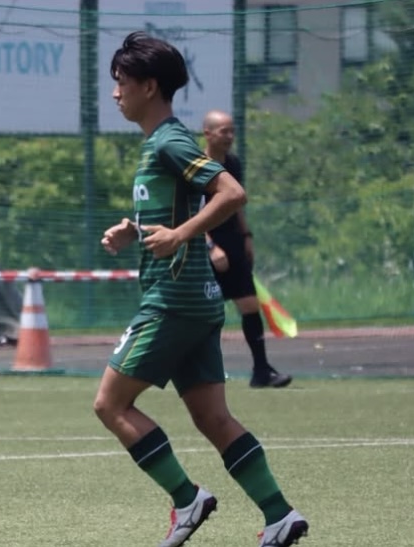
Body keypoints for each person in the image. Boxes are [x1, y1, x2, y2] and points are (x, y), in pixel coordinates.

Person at [95, 31, 308, 547]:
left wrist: (180, 235)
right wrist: (138, 231)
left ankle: (187, 498)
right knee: (213, 417)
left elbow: (231, 193)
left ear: (149, 86)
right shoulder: (162, 143)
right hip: (199, 301)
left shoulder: (169, 141)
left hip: (171, 302)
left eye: (122, 82)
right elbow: (178, 215)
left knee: (110, 405)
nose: (116, 92)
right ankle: (279, 514)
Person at [202, 110, 293, 389]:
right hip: (205, 246)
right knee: (204, 314)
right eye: (223, 131)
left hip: (233, 242)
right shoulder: (197, 166)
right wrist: (210, 246)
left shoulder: (233, 164)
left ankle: (261, 371)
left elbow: (236, 203)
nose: (229, 136)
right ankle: (197, 372)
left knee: (250, 306)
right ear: (208, 134)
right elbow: (191, 212)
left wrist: (246, 236)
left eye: (232, 131)